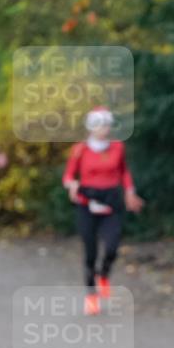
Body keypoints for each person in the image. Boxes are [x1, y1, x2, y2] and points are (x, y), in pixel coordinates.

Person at [63, 107, 144, 315]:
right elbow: (69, 176)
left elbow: (124, 172)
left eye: (107, 124)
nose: (105, 129)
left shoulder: (117, 147)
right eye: (100, 125)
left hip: (111, 200)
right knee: (90, 252)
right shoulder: (80, 149)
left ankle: (104, 274)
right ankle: (91, 296)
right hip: (87, 202)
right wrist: (72, 185)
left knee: (112, 246)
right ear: (91, 127)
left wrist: (130, 192)